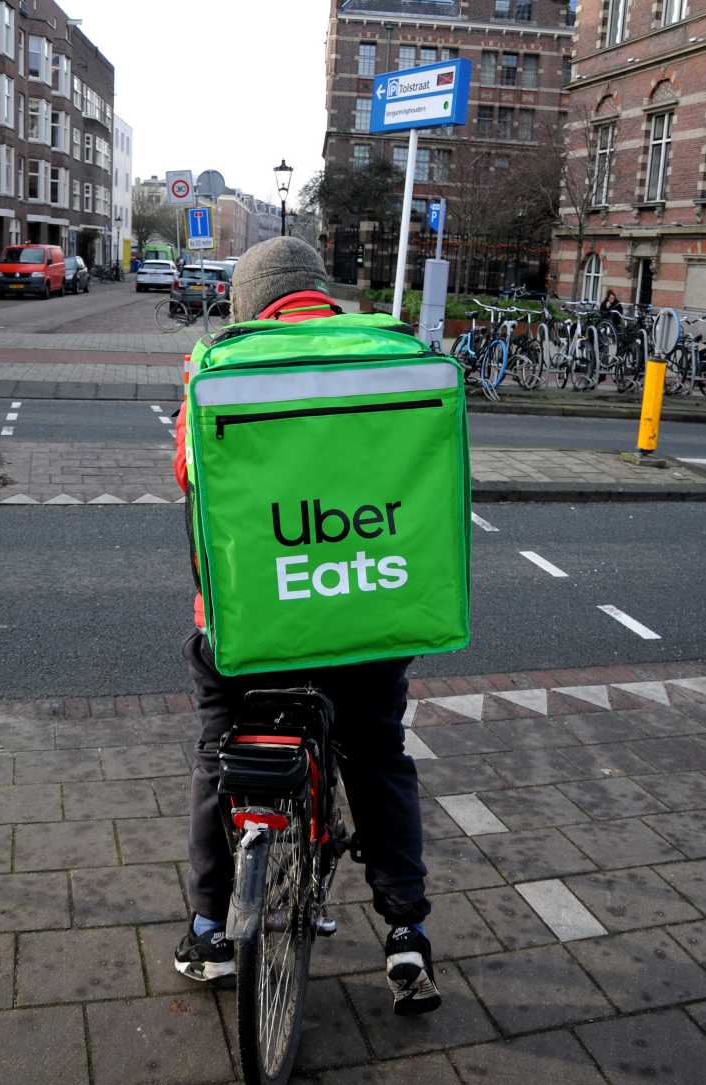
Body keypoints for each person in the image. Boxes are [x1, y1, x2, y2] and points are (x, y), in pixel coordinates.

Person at [171, 237, 440, 1016]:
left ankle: (208, 927)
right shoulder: (393, 354)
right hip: (370, 609)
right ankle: (407, 930)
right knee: (377, 754)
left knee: (219, 754)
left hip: (251, 625)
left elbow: (190, 476)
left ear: (248, 303)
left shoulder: (217, 365)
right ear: (322, 291)